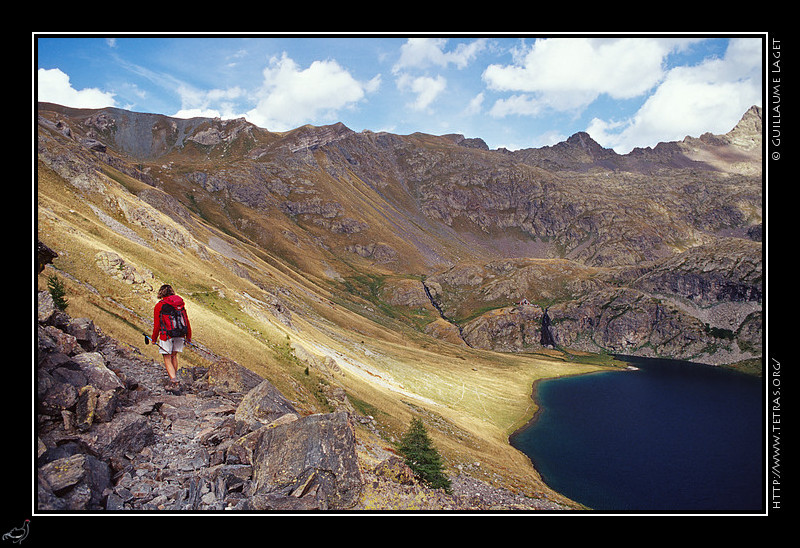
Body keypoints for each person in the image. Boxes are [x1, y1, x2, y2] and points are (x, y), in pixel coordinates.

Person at [151, 284, 192, 389]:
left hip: (166, 335)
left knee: (167, 357)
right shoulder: (180, 304)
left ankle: (174, 381)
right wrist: (188, 336)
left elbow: (157, 325)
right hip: (180, 334)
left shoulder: (160, 305)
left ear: (161, 293)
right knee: (174, 355)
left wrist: (154, 339)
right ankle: (174, 379)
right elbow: (186, 320)